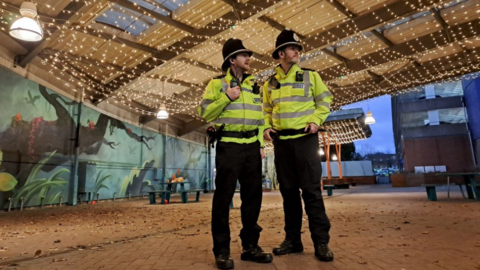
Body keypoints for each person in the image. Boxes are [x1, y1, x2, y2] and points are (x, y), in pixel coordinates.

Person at [198, 38, 273, 269]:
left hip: (252, 147)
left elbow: (259, 118)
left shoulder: (254, 85)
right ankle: (222, 251)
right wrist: (226, 97)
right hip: (229, 146)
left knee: (253, 198)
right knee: (223, 199)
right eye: (243, 55)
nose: (248, 59)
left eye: (248, 55)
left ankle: (250, 247)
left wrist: (260, 143)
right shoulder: (216, 84)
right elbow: (204, 112)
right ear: (232, 60)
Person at [262, 29, 335, 262]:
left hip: (305, 140)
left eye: (298, 48)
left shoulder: (311, 76)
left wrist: (316, 121)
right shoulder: (269, 83)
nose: (298, 52)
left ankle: (321, 243)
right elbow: (265, 110)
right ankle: (293, 241)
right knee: (289, 194)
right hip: (282, 144)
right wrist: (265, 127)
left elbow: (325, 101)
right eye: (293, 48)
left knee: (312, 192)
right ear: (281, 53)